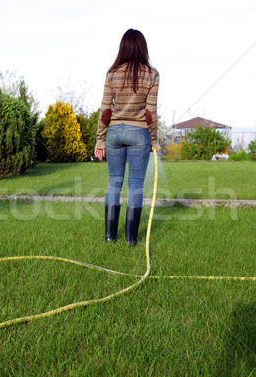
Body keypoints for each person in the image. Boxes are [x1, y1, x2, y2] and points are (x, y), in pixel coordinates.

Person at [94, 28, 160, 245]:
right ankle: (131, 240)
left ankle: (109, 237)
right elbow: (150, 113)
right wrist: (154, 141)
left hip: (113, 133)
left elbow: (105, 110)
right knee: (136, 187)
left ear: (123, 47)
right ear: (143, 48)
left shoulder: (112, 73)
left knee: (113, 183)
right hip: (139, 133)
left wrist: (100, 140)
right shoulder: (152, 75)